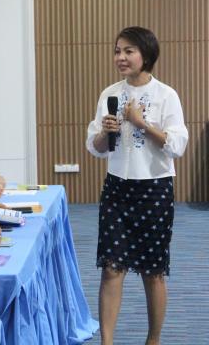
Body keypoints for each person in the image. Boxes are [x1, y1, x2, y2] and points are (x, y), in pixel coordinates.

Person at [86, 26, 188, 345]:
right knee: (111, 268)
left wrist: (142, 124)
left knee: (152, 271)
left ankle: (153, 340)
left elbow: (177, 145)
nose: (121, 57)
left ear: (146, 55)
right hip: (117, 189)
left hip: (154, 190)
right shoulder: (109, 94)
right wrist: (104, 133)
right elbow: (95, 147)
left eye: (129, 51)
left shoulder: (166, 95)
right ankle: (107, 341)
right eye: (117, 50)